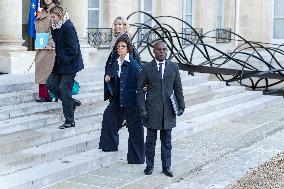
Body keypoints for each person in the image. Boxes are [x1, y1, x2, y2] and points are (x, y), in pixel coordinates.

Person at [137, 41, 185, 177]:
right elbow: (140, 90)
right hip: (151, 110)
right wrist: (142, 109)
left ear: (167, 51)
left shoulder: (174, 67)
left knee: (167, 142)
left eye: (164, 49)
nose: (162, 52)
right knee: (150, 141)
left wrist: (181, 106)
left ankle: (166, 167)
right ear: (154, 51)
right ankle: (149, 165)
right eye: (159, 50)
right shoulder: (146, 68)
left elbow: (178, 88)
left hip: (168, 111)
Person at [99, 36, 145, 164]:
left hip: (131, 100)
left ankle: (137, 158)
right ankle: (109, 146)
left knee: (135, 129)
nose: (120, 49)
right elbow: (115, 76)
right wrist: (109, 78)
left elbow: (141, 81)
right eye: (118, 47)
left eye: (123, 46)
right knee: (108, 116)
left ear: (128, 48)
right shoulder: (116, 62)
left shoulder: (134, 65)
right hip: (118, 98)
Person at [46, 5, 84, 129]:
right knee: (50, 83)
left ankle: (70, 121)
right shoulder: (55, 26)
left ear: (60, 15)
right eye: (51, 17)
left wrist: (61, 55)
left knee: (65, 90)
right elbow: (59, 43)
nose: (52, 19)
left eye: (53, 17)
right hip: (61, 63)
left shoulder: (68, 26)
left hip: (70, 63)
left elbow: (73, 49)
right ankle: (71, 102)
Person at [34, 0, 60, 102]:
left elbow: (58, 28)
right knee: (42, 71)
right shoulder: (43, 10)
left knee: (49, 72)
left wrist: (51, 43)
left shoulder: (56, 10)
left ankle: (49, 95)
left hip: (51, 46)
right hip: (42, 45)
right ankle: (44, 95)